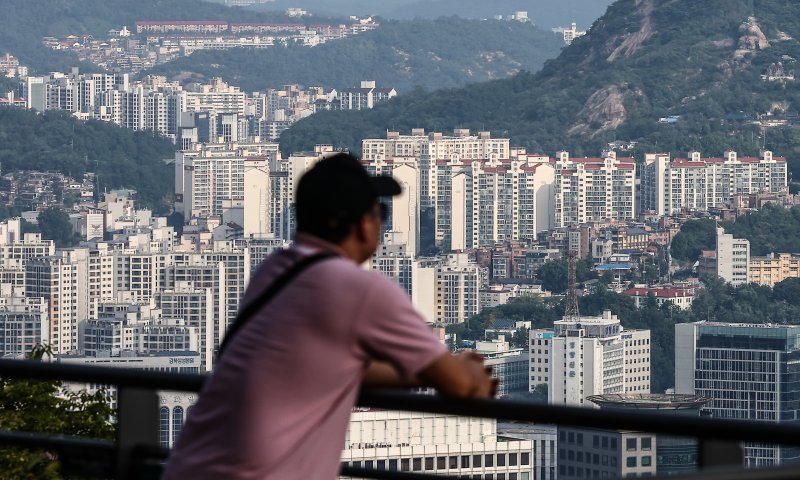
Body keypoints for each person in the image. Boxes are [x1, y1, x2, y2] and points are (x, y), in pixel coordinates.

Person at [163, 152, 496, 479]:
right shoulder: (358, 288)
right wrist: (464, 370)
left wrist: (426, 372)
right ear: (364, 224)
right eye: (381, 212)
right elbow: (462, 387)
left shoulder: (274, 270)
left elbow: (329, 367)